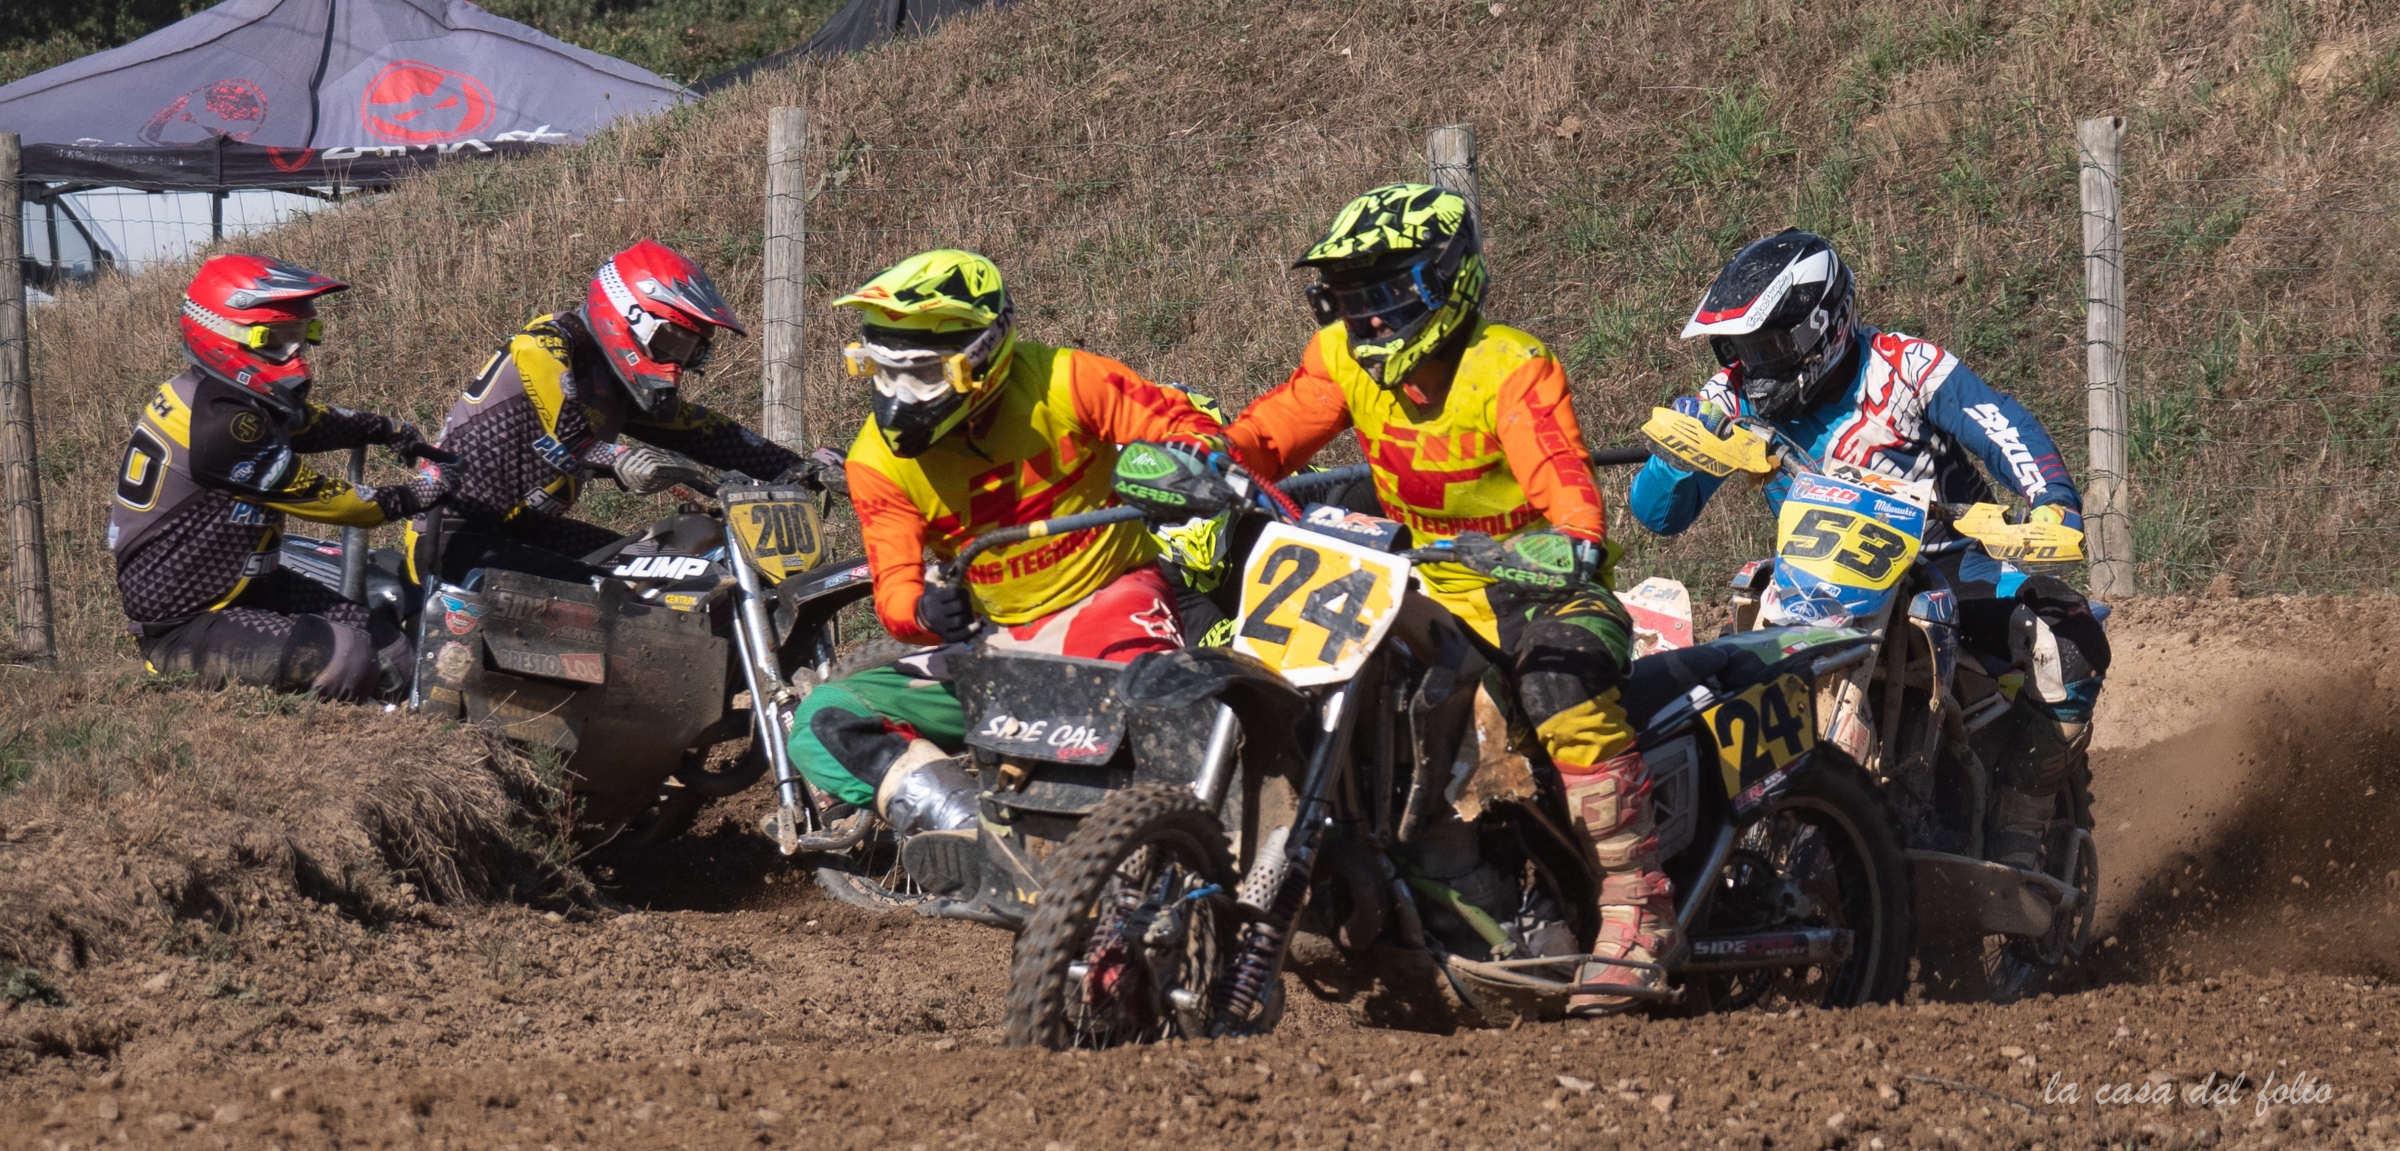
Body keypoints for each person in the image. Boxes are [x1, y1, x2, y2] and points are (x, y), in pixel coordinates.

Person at [1221, 184, 1667, 1015]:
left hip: (1539, 583)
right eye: (1351, 296)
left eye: (1388, 292)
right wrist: (1203, 458)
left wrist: (1565, 540)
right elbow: (1265, 437)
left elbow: (1569, 494)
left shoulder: (1509, 366)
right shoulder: (1341, 356)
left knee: (1559, 680)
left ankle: (1636, 905)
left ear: (1448, 279)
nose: (1369, 316)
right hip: (1420, 585)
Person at [1630, 227, 2109, 872]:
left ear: (1823, 328)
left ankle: (2018, 832)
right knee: (1718, 671)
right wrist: (1684, 446)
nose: (1751, 366)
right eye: (1738, 349)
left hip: (1943, 561)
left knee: (2071, 640)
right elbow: (1656, 514)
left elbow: (2001, 424)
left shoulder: (1905, 367)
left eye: (1767, 347)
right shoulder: (1734, 394)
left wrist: (2050, 498)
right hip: (1813, 575)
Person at [785, 249, 1225, 883]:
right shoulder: (875, 461)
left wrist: (1181, 465)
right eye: (881, 371)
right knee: (825, 718)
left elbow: (1189, 427)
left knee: (1156, 721)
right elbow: (894, 591)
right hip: (995, 645)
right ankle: (977, 834)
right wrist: (924, 611)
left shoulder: (1069, 380)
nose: (899, 397)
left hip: (1109, 597)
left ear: (984, 355)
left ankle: (1174, 862)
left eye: (922, 373)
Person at [111, 254, 450, 700]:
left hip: (251, 590)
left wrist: (387, 429)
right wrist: (418, 492)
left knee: (396, 653)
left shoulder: (228, 397)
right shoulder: (219, 424)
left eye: (301, 336)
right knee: (347, 659)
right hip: (187, 623)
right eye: (274, 340)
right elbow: (329, 499)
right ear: (222, 335)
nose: (294, 356)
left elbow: (309, 422)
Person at [406, 239, 806, 587]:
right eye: (669, 342)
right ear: (628, 314)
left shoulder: (616, 386)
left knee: (667, 575)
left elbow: (707, 433)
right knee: (615, 600)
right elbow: (568, 438)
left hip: (530, 532)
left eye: (689, 353)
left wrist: (801, 467)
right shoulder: (550, 345)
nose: (674, 365)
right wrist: (618, 458)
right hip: (454, 536)